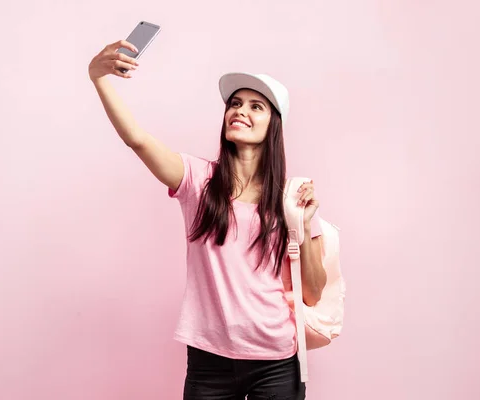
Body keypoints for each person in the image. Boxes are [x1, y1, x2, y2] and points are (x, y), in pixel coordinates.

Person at [88, 40, 327, 400]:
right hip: (209, 361)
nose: (240, 110)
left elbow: (312, 293)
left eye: (256, 106)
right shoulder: (198, 181)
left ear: (273, 125)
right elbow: (137, 140)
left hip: (276, 361)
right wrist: (99, 77)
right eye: (235, 103)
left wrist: (304, 225)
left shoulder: (292, 197)